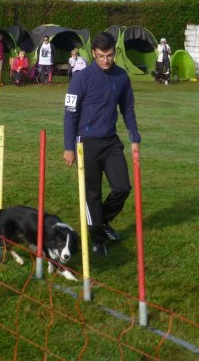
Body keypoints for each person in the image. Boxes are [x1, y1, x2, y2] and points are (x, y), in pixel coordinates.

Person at [63, 32, 141, 256]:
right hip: (85, 143)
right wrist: (69, 147)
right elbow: (70, 113)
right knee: (92, 193)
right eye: (100, 56)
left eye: (109, 55)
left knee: (122, 187)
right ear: (94, 55)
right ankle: (97, 239)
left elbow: (128, 109)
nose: (105, 60)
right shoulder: (81, 78)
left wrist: (134, 138)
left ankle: (100, 222)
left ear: (115, 53)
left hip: (110, 142)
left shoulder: (122, 77)